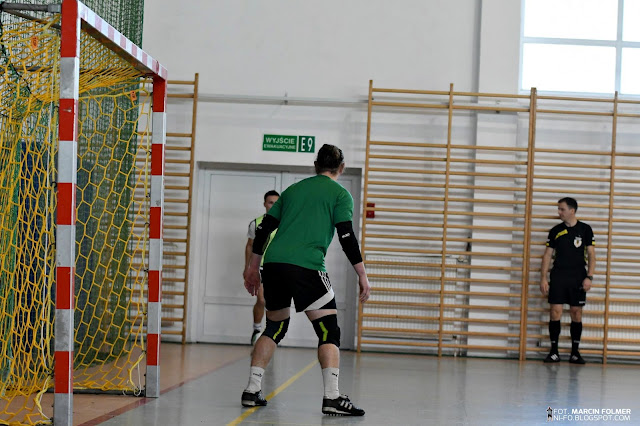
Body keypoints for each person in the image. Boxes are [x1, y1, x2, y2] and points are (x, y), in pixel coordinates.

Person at [241, 144, 371, 416]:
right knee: (328, 331)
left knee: (274, 326)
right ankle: (332, 397)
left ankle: (252, 390)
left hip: (273, 265)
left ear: (315, 165)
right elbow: (346, 236)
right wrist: (362, 274)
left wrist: (253, 267)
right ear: (341, 167)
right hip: (307, 266)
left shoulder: (292, 191)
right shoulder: (340, 195)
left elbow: (263, 229)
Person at [539, 197, 595, 364]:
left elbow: (591, 254)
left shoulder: (585, 229)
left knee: (576, 313)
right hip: (559, 276)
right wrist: (543, 278)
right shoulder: (555, 230)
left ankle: (575, 353)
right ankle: (554, 352)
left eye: (562, 209)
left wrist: (589, 276)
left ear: (572, 210)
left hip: (578, 277)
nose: (559, 212)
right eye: (558, 209)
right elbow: (547, 255)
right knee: (555, 312)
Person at [245, 190, 280, 345]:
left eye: (276, 203)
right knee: (262, 300)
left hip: (278, 268)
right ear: (265, 204)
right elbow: (250, 246)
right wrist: (247, 267)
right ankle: (257, 329)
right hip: (260, 267)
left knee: (276, 303)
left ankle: (271, 333)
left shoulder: (286, 223)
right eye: (270, 202)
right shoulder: (256, 223)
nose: (273, 205)